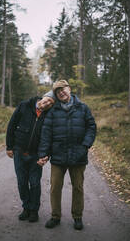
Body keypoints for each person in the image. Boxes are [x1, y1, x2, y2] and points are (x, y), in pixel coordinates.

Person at [37, 80, 96, 230]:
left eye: (62, 89)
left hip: (78, 156)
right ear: (56, 95)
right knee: (55, 187)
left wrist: (85, 146)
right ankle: (55, 217)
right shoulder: (52, 110)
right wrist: (44, 153)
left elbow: (91, 127)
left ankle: (77, 217)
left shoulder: (83, 108)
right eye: (57, 92)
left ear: (69, 89)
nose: (61, 93)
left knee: (78, 187)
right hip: (58, 156)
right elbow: (46, 133)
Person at [6, 95, 55, 222]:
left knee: (34, 183)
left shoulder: (49, 115)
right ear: (44, 96)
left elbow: (49, 138)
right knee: (22, 182)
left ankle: (34, 211)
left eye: (51, 103)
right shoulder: (24, 105)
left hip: (36, 156)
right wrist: (9, 146)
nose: (48, 104)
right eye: (48, 100)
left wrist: (45, 155)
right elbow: (12, 125)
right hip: (19, 152)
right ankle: (26, 208)